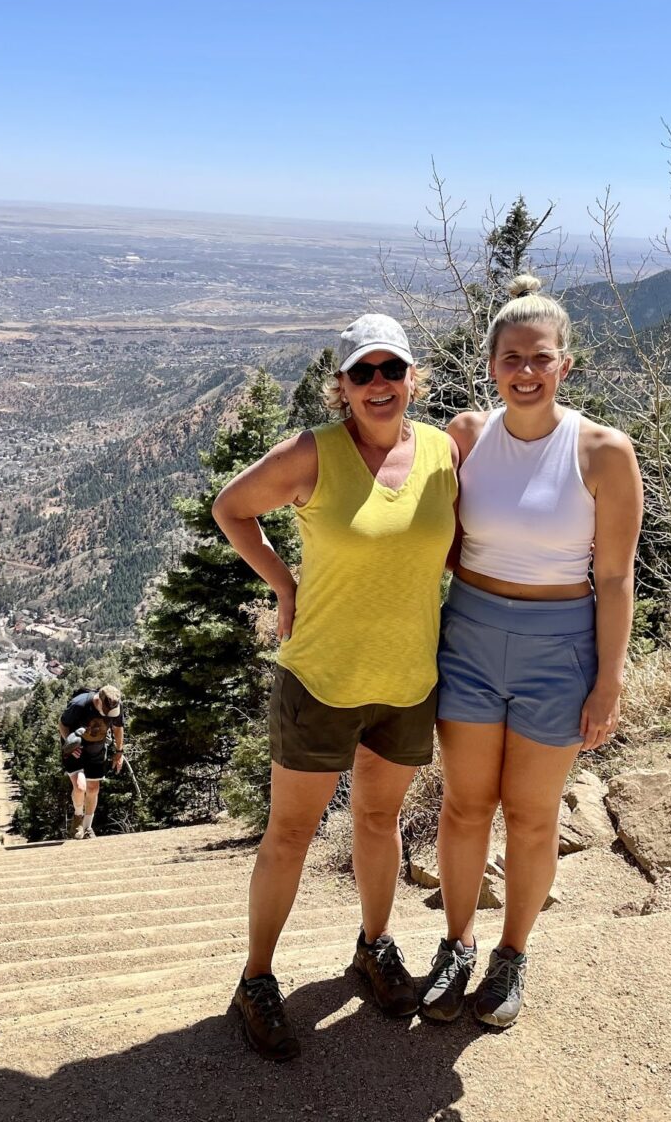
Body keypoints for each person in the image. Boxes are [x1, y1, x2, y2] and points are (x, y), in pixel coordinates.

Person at [212, 313, 457, 1061]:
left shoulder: (444, 453)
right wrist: (282, 584)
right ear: (341, 387)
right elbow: (232, 507)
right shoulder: (311, 455)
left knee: (378, 823)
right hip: (320, 678)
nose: (379, 384)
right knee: (289, 835)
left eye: (392, 369)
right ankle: (256, 979)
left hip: (409, 681)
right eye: (363, 372)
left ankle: (374, 947)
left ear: (414, 378)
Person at [420, 275, 642, 1029]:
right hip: (471, 638)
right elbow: (434, 545)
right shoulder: (467, 436)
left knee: (533, 814)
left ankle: (512, 954)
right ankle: (457, 945)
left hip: (560, 647)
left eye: (539, 358)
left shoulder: (603, 452)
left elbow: (614, 578)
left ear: (564, 366)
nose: (525, 370)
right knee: (463, 805)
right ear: (491, 366)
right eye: (511, 357)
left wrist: (608, 683)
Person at [57, 685, 126, 839]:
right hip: (76, 750)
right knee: (80, 787)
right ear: (99, 701)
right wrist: (69, 744)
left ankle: (87, 828)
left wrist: (119, 751)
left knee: (93, 788)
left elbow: (118, 727)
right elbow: (62, 724)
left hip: (97, 749)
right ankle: (77, 818)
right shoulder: (79, 704)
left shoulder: (115, 705)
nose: (109, 715)